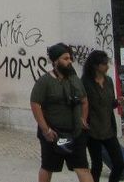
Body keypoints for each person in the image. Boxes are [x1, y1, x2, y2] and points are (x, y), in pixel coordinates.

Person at [30, 42, 94, 182]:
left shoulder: (74, 79)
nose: (69, 61)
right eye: (65, 58)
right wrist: (45, 129)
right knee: (48, 167)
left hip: (75, 132)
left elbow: (84, 100)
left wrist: (83, 119)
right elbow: (35, 104)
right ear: (55, 61)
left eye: (70, 58)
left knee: (82, 168)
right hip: (53, 134)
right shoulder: (44, 81)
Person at [82, 50, 124, 182]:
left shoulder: (108, 81)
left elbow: (109, 103)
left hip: (108, 129)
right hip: (93, 131)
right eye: (104, 64)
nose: (107, 66)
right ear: (96, 66)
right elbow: (82, 104)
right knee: (97, 166)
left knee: (119, 164)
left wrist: (118, 102)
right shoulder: (85, 82)